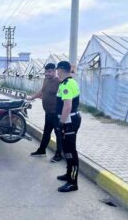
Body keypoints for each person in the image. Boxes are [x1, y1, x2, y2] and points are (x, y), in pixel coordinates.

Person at [27, 63, 62, 162]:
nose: (47, 73)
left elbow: (65, 98)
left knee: (59, 134)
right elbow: (42, 91)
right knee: (46, 133)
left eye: (49, 71)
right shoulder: (46, 80)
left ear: (55, 71)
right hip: (48, 112)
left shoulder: (59, 82)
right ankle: (42, 151)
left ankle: (59, 155)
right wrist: (32, 97)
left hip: (56, 113)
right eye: (46, 71)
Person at [55, 61, 81, 192]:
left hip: (69, 121)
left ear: (61, 70)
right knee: (67, 150)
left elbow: (67, 105)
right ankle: (68, 174)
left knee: (70, 151)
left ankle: (73, 182)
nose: (56, 72)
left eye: (57, 70)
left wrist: (61, 123)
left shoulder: (67, 84)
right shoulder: (70, 82)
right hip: (70, 120)